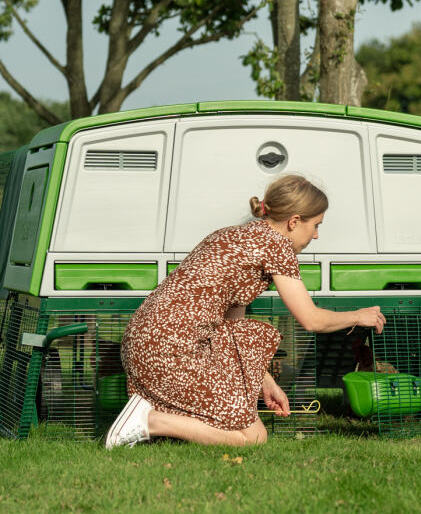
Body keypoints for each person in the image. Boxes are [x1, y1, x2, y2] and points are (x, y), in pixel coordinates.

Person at [105, 174, 386, 449]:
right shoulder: (277, 247)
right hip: (172, 350)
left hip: (142, 342)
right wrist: (358, 316)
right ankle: (149, 420)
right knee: (252, 438)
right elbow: (310, 319)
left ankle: (146, 414)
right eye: (315, 225)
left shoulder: (231, 236)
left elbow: (232, 329)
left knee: (243, 423)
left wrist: (266, 381)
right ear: (294, 221)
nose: (316, 235)